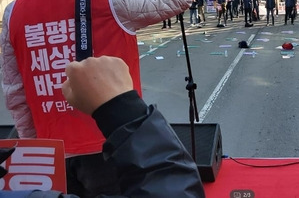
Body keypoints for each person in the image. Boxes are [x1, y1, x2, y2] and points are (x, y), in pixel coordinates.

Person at [0, 0, 190, 197]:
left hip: (54, 154)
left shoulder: (14, 12)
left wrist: (40, 148)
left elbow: (15, 93)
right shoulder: (114, 2)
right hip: (116, 147)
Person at [0, 56, 205, 197]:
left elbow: (15, 93)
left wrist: (33, 143)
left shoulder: (13, 12)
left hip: (58, 149)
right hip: (100, 148)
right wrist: (122, 109)